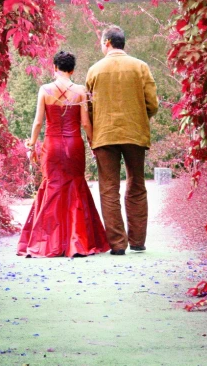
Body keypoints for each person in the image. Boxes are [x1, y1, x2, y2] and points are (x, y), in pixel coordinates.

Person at [17, 51, 110, 258]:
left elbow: (38, 122)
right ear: (73, 70)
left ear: (54, 68)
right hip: (74, 144)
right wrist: (94, 143)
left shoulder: (45, 89)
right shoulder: (80, 90)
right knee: (75, 186)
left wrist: (31, 144)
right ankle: (77, 241)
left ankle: (47, 242)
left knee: (52, 185)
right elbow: (85, 123)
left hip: (52, 145)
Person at [86, 25, 159, 255]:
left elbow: (88, 108)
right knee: (136, 184)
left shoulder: (94, 70)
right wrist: (136, 115)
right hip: (134, 133)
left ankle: (117, 244)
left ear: (107, 42)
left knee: (109, 188)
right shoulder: (140, 67)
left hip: (104, 135)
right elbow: (153, 104)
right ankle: (138, 241)